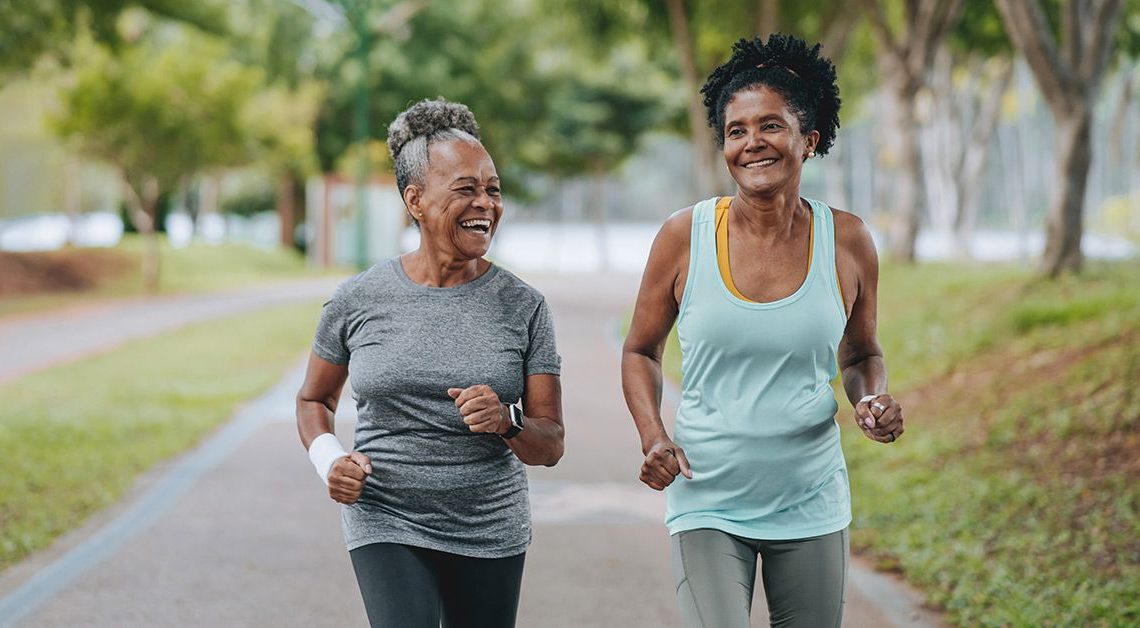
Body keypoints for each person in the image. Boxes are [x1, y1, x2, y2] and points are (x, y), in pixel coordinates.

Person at [621, 34, 905, 628]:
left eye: (771, 125)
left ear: (809, 139)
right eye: (736, 130)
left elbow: (860, 352)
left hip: (810, 498)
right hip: (707, 495)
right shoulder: (684, 236)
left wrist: (870, 398)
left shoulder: (848, 240)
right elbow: (640, 349)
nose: (753, 143)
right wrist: (653, 435)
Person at [296, 98, 564, 628]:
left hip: (489, 526)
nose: (485, 202)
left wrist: (507, 420)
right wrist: (330, 460)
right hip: (385, 514)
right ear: (415, 199)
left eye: (492, 189)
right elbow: (314, 399)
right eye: (465, 188)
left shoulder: (524, 307)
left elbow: (551, 443)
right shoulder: (358, 299)